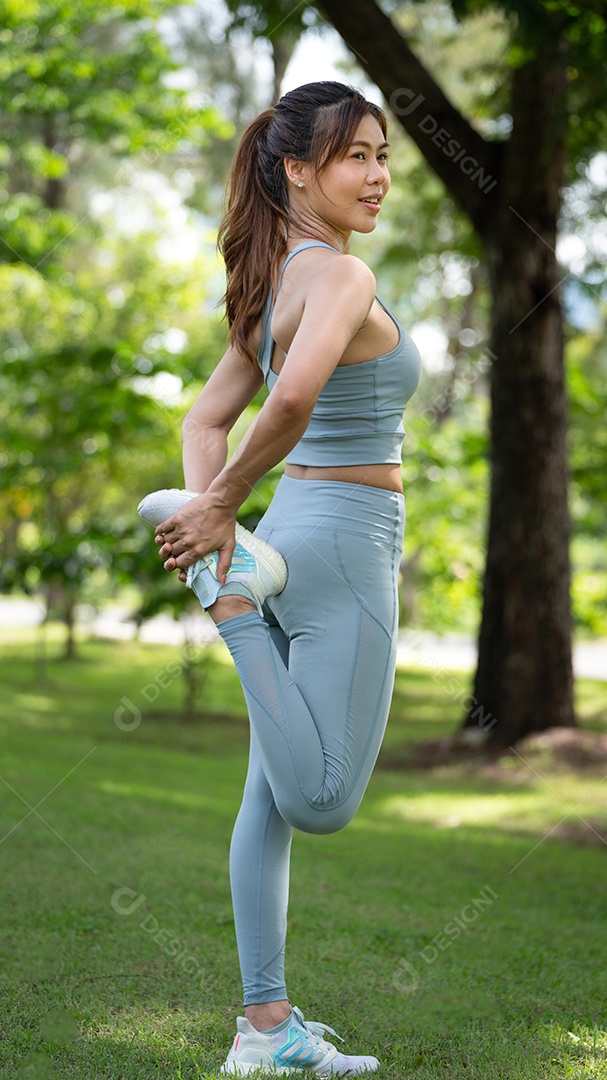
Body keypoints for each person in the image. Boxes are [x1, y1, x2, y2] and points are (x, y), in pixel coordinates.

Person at [138, 80, 422, 1076]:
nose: (379, 176)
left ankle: (266, 1031)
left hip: (287, 530)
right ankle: (230, 602)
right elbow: (292, 401)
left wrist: (222, 514)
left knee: (264, 803)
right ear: (299, 169)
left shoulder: (274, 281)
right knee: (322, 800)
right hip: (343, 542)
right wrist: (214, 517)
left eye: (384, 155)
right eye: (357, 157)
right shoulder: (339, 278)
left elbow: (203, 420)